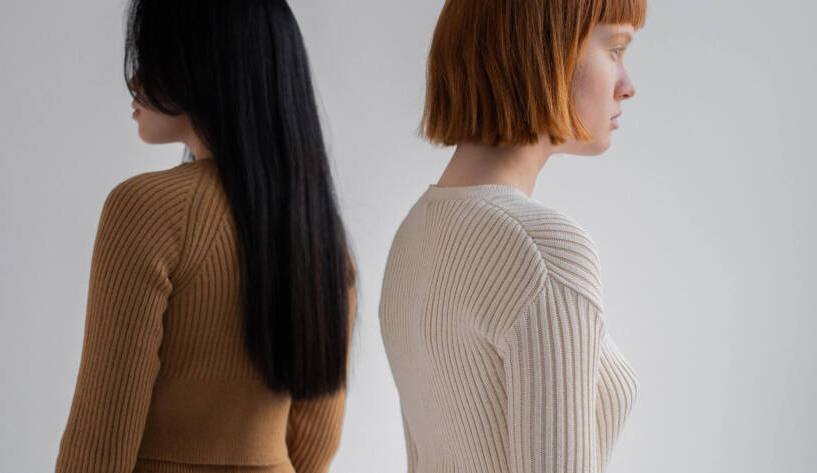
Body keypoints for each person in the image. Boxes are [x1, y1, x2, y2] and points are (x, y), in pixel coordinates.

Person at [54, 1, 356, 472]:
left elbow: (101, 436)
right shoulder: (320, 233)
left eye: (152, 58)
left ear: (203, 68)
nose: (135, 80)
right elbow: (318, 435)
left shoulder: (146, 208)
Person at [379, 0, 646, 471]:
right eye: (615, 50)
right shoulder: (544, 251)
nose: (627, 85)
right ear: (546, 51)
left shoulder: (413, 234)